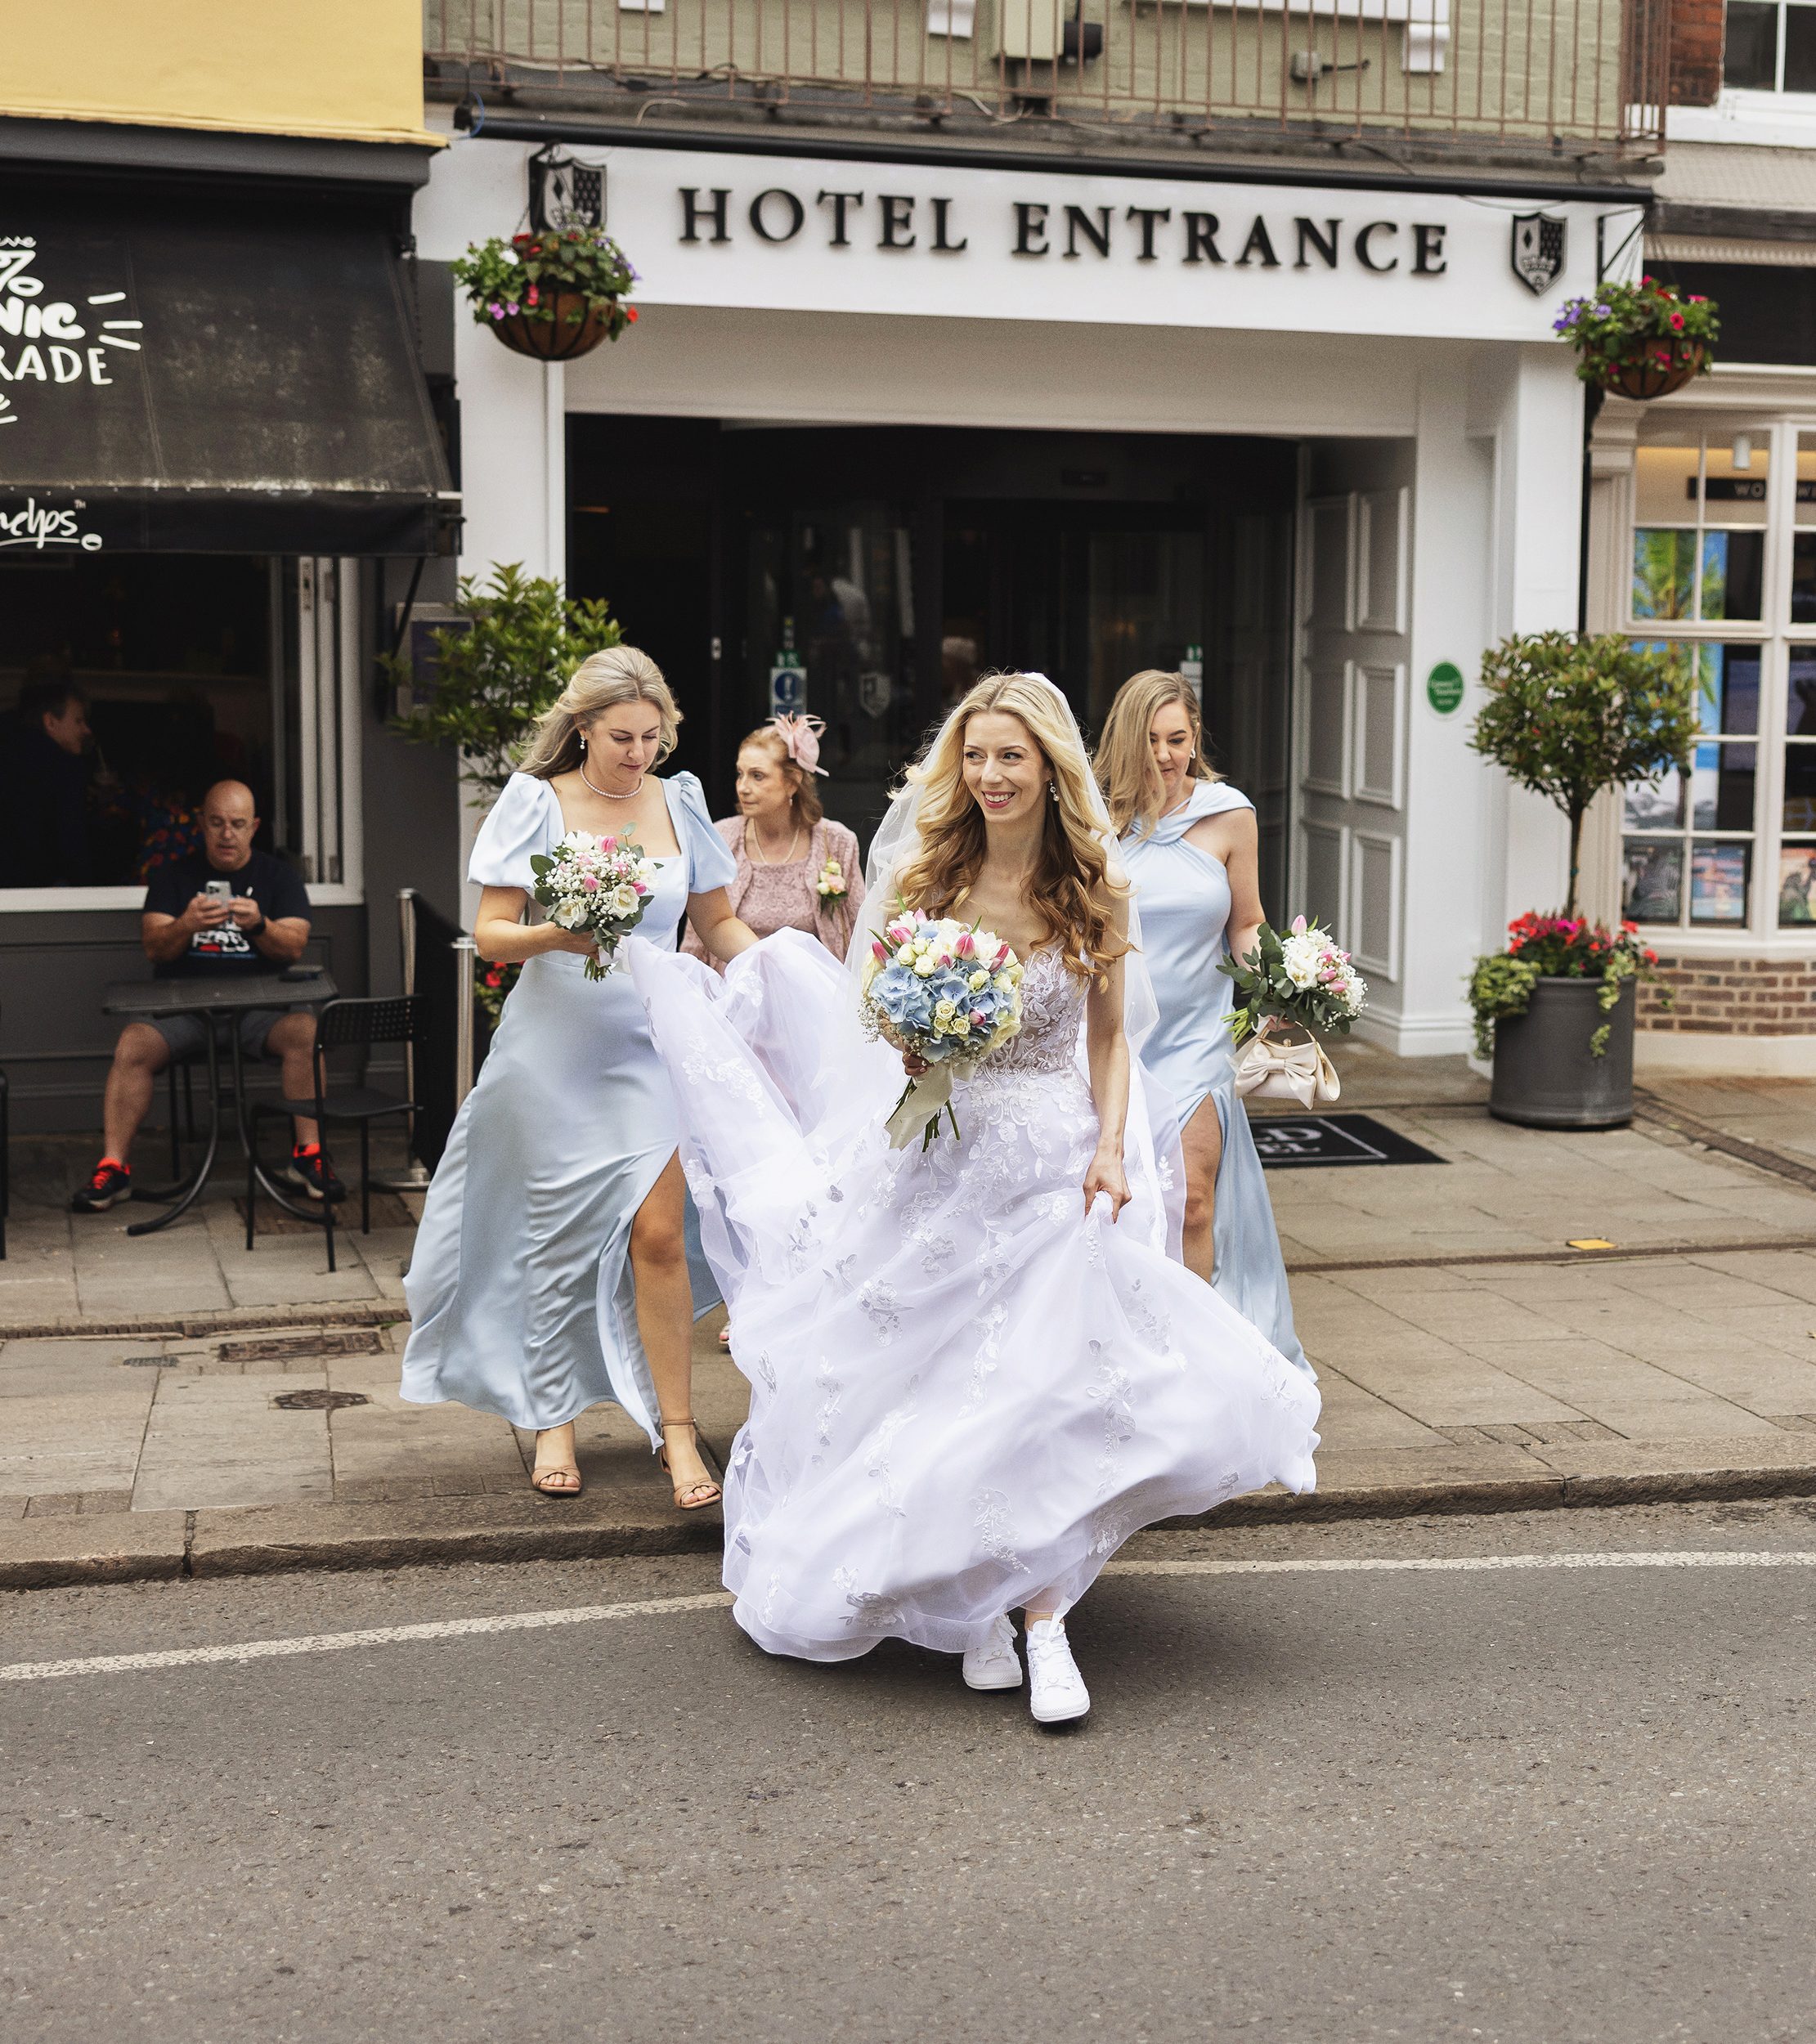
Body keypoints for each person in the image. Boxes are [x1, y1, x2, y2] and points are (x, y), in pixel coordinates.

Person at [627, 672, 1319, 1725]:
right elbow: (884, 1028)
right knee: (948, 1395)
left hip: (1051, 1163)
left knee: (1039, 1392)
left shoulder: (1095, 882)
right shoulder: (924, 878)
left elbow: (1108, 1038)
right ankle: (979, 1610)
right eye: (977, 756)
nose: (991, 776)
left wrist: (1108, 1153)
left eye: (1011, 757)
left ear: (1049, 767)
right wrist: (914, 1038)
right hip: (941, 1163)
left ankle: (1043, 1622)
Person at [399, 648, 758, 1510]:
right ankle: (552, 1415)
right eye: (622, 737)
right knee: (555, 1237)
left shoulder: (683, 800)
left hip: (649, 1046)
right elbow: (490, 931)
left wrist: (779, 974)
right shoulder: (538, 801)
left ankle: (676, 1430)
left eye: (652, 735)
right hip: (550, 1050)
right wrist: (560, 933)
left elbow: (714, 919)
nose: (639, 753)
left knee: (661, 1236)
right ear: (584, 728)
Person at [1096, 670, 1309, 1373]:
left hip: (1197, 1038)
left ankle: (1192, 1365)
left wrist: (1287, 984)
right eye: (1151, 741)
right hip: (1112, 1038)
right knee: (1120, 1203)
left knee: (1190, 1200)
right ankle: (1122, 1348)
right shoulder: (1089, 819)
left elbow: (1245, 922)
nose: (1165, 755)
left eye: (1177, 739)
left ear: (1195, 738)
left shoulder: (1228, 814)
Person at [71, 779, 339, 1214]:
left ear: (254, 827)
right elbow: (154, 947)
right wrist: (186, 924)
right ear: (201, 824)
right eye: (216, 823)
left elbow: (293, 947)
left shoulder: (278, 877)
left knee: (306, 1033)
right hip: (185, 1011)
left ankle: (308, 1156)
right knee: (133, 1044)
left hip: (260, 1010)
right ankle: (114, 1168)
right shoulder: (174, 875)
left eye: (236, 824)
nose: (227, 834)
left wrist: (259, 926)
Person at [681, 715, 866, 969]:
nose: (743, 787)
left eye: (757, 776)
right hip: (736, 994)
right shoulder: (720, 838)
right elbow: (696, 939)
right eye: (740, 774)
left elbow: (861, 932)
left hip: (814, 993)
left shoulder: (836, 842)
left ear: (792, 783)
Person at [0, 675, 96, 886]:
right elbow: (72, 839)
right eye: (78, 721)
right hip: (43, 892)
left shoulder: (9, 758)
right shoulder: (64, 768)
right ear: (50, 722)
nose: (86, 730)